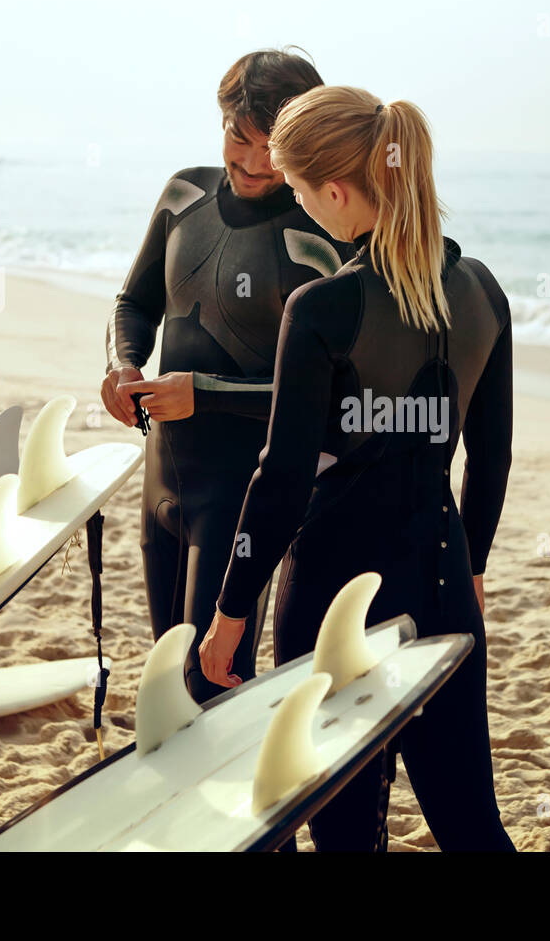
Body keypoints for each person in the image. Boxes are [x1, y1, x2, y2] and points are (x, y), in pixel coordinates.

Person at [199, 85, 515, 851]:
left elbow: (281, 477)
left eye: (304, 194)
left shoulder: (321, 309)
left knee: (345, 834)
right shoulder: (482, 293)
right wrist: (472, 565)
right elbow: (493, 454)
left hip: (332, 595)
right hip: (442, 582)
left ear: (338, 191)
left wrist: (228, 613)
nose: (304, 210)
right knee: (472, 826)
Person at [100, 49, 352, 705]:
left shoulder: (316, 234)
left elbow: (325, 397)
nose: (251, 163)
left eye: (273, 151)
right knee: (166, 674)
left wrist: (202, 395)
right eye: (239, 139)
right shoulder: (184, 194)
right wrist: (122, 364)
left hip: (243, 495)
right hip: (164, 476)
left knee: (210, 683)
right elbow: (135, 304)